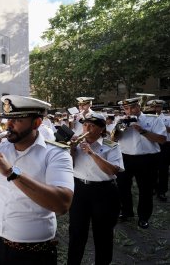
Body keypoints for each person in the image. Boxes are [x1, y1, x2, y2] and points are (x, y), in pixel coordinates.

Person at [0, 95, 74, 265]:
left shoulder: (56, 154)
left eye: (17, 120)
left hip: (31, 251)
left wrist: (11, 173)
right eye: (8, 119)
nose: (8, 125)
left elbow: (62, 204)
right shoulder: (0, 147)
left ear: (36, 123)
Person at [67, 113, 124, 265]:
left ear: (101, 129)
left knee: (103, 233)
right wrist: (71, 150)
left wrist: (92, 153)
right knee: (76, 231)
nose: (88, 128)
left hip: (104, 191)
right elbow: (68, 167)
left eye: (92, 126)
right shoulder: (76, 143)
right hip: (79, 189)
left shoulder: (111, 145)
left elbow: (113, 170)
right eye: (85, 125)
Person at [113, 97, 166, 229]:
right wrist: (121, 129)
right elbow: (113, 139)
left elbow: (162, 139)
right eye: (126, 108)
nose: (130, 111)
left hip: (147, 159)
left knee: (146, 190)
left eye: (133, 107)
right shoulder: (121, 121)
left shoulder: (153, 119)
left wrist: (142, 131)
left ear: (139, 106)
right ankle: (126, 212)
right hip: (125, 158)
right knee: (123, 187)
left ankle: (143, 217)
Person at [147, 99, 170, 201]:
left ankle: (162, 191)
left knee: (163, 169)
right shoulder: (147, 118)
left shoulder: (169, 118)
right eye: (153, 107)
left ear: (161, 107)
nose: (155, 109)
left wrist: (162, 126)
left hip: (165, 145)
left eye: (157, 107)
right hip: (152, 144)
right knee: (151, 168)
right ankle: (153, 187)